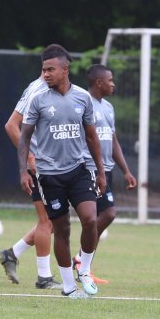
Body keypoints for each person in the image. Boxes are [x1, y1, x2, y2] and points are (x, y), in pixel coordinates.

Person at [16, 44, 107, 299]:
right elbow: (24, 138)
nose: (45, 74)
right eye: (43, 70)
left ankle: (84, 269)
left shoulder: (82, 98)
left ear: (65, 70)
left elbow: (92, 137)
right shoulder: (38, 99)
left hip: (78, 170)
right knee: (62, 229)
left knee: (90, 219)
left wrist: (101, 172)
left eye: (50, 69)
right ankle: (68, 288)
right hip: (49, 175)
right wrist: (23, 171)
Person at [0, 73, 58, 289]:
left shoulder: (52, 90)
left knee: (55, 220)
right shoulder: (37, 90)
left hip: (55, 165)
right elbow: (11, 126)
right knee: (47, 221)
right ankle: (44, 277)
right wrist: (30, 157)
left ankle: (12, 254)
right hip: (40, 165)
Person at [80, 63, 137, 284]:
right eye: (110, 80)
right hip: (89, 168)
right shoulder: (83, 103)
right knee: (105, 214)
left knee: (107, 214)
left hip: (106, 170)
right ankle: (82, 263)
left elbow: (113, 141)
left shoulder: (108, 107)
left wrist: (126, 171)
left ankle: (82, 262)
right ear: (98, 83)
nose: (113, 84)